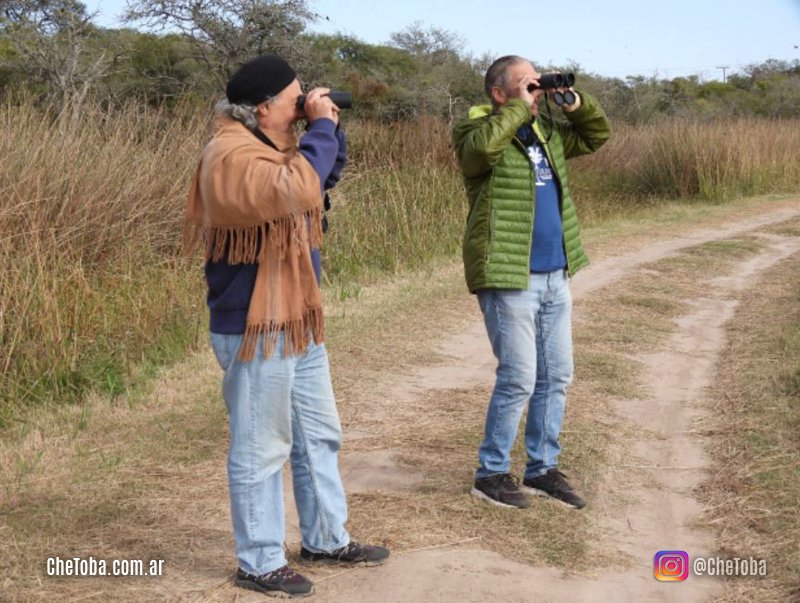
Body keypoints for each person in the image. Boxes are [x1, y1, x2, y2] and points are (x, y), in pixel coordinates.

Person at [185, 54, 389, 599]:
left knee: (319, 436)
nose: (304, 104)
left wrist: (326, 131)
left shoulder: (276, 150)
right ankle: (258, 561)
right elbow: (295, 190)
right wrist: (320, 125)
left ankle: (325, 538)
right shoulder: (229, 154)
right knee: (261, 448)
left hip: (294, 317)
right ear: (263, 107)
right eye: (296, 98)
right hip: (254, 323)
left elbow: (321, 178)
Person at [452, 55, 611, 510]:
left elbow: (596, 135)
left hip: (554, 273)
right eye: (525, 85)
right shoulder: (474, 130)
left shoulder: (547, 133)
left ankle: (541, 468)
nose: (535, 92)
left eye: (537, 84)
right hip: (508, 275)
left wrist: (575, 103)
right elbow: (479, 153)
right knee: (520, 376)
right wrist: (519, 109)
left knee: (556, 375)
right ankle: (492, 473)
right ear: (499, 93)